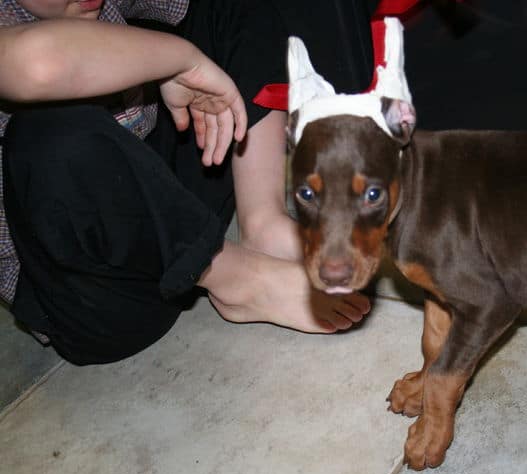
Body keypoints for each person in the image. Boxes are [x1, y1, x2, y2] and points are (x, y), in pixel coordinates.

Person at [0, 0, 372, 365]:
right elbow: (37, 65)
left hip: (173, 206)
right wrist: (181, 59)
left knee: (234, 7)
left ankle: (263, 222)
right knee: (49, 132)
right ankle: (236, 279)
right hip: (93, 291)